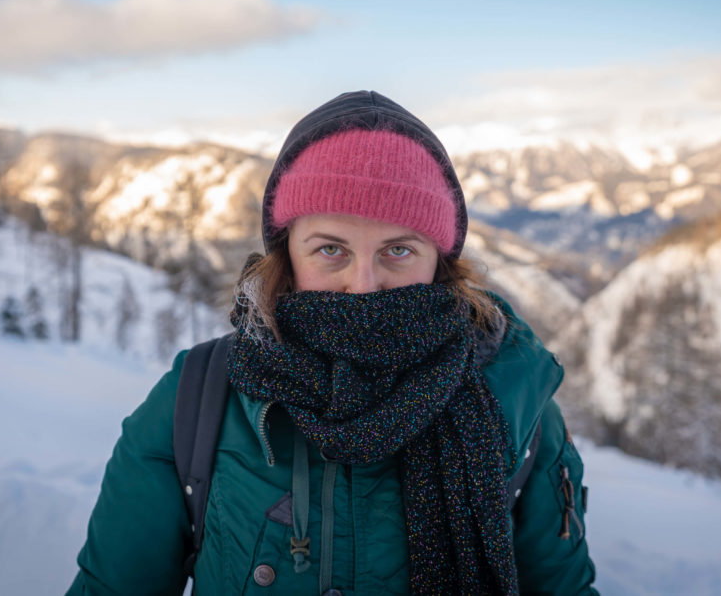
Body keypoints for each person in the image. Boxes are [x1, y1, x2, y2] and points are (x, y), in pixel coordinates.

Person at [67, 91, 597, 595]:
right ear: (287, 255)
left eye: (398, 250)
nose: (362, 285)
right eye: (330, 249)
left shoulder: (513, 403)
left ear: (439, 258)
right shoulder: (197, 400)